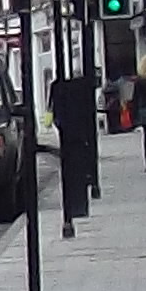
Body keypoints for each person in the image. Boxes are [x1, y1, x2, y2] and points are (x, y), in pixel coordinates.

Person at [49, 67, 100, 235]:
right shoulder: (66, 88)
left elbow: (53, 108)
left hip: (71, 130)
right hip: (76, 132)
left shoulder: (57, 87)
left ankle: (72, 213)